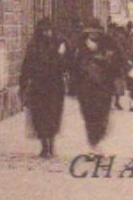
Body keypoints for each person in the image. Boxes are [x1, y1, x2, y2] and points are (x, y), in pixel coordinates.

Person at [19, 18, 66, 159]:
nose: (47, 33)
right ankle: (45, 147)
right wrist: (23, 84)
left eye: (49, 30)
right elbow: (26, 65)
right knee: (39, 117)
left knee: (53, 116)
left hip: (55, 87)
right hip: (39, 87)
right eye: (44, 30)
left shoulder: (60, 44)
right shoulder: (34, 45)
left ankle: (51, 146)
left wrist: (62, 55)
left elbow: (66, 65)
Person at [70, 21, 120, 149]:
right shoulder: (80, 46)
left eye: (96, 32)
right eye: (91, 32)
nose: (93, 35)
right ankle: (93, 141)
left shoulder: (109, 44)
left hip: (104, 87)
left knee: (102, 114)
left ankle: (98, 135)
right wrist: (74, 85)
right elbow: (73, 67)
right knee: (89, 115)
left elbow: (119, 62)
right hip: (85, 87)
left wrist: (108, 61)